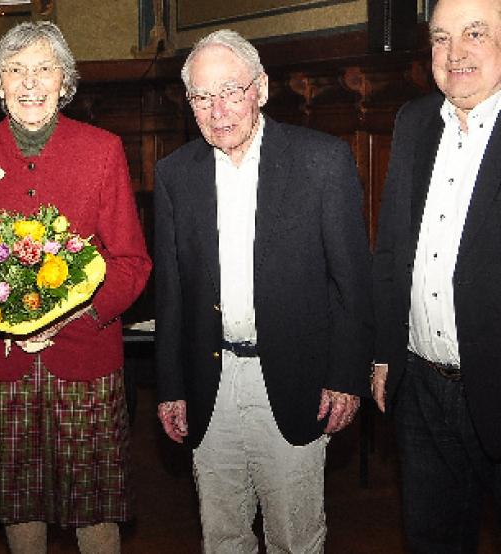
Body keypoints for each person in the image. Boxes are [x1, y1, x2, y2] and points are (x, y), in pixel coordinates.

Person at [153, 29, 373, 552]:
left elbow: (353, 282)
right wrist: (171, 386)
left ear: (262, 89)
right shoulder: (174, 174)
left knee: (295, 539)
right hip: (210, 382)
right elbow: (171, 293)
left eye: (231, 91)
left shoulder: (322, 161)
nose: (218, 110)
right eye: (202, 97)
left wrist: (346, 376)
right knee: (223, 536)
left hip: (297, 379)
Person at [0, 22, 151, 554]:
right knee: (18, 506)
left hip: (84, 356)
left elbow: (131, 262)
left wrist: (79, 313)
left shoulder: (102, 150)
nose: (30, 83)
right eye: (16, 70)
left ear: (65, 81)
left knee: (95, 511)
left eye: (43, 69)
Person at [372, 0, 501, 548]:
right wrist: (385, 353)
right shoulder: (414, 121)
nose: (455, 53)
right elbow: (392, 249)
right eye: (441, 38)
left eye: (475, 33)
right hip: (421, 388)